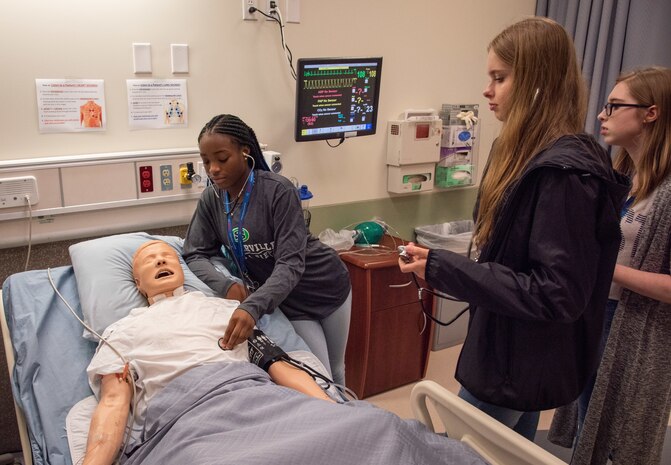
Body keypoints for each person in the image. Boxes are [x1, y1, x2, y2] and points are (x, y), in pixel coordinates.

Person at [398, 17, 629, 441]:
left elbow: (554, 293)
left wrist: (443, 267)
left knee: (447, 450)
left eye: (500, 78)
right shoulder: (528, 157)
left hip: (518, 364)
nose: (487, 90)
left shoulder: (564, 175)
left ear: (537, 82)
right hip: (511, 356)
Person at [83, 240, 333, 465]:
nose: (160, 260)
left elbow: (274, 362)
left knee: (340, 433)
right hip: (188, 420)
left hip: (255, 399)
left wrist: (331, 409)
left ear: (182, 270)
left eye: (169, 257)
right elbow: (113, 402)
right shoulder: (121, 333)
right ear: (138, 283)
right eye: (149, 260)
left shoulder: (230, 311)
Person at [549, 66, 671, 465]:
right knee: (591, 431)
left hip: (637, 330)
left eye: (614, 105)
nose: (602, 115)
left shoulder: (667, 192)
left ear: (650, 113)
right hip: (600, 313)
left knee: (621, 439)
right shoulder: (625, 178)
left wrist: (600, 266)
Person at [182, 114, 352, 386]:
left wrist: (252, 306)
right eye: (206, 161)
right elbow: (194, 252)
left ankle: (351, 420)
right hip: (288, 301)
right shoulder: (212, 199)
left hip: (326, 283)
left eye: (222, 159)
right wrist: (226, 285)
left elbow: (291, 264)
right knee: (322, 377)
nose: (213, 168)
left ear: (245, 151)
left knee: (337, 368)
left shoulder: (278, 191)